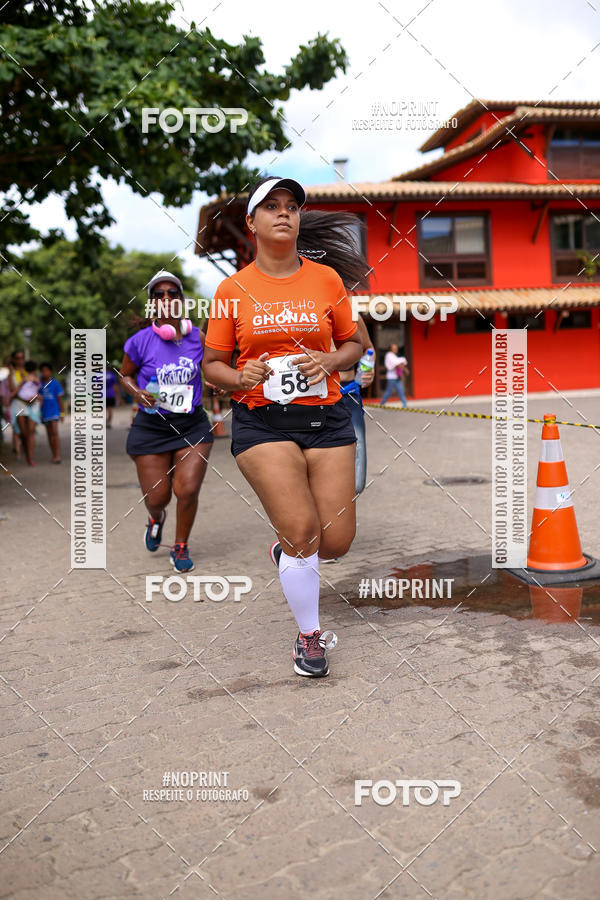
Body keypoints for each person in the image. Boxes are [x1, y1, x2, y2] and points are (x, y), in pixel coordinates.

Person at [203, 176, 369, 678]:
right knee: (303, 530)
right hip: (261, 423)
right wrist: (239, 376)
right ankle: (309, 636)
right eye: (270, 207)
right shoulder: (232, 290)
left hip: (327, 419)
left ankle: (288, 551)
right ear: (251, 223)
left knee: (335, 541)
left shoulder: (326, 281)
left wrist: (330, 358)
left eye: (292, 206)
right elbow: (212, 363)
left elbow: (356, 346)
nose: (284, 213)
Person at [119, 271, 213, 572]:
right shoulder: (139, 342)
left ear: (182, 301)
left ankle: (180, 545)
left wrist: (217, 383)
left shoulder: (197, 337)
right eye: (158, 294)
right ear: (152, 304)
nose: (166, 298)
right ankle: (156, 518)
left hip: (192, 426)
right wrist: (136, 392)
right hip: (151, 427)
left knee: (187, 490)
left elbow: (212, 369)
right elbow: (126, 375)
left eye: (173, 293)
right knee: (158, 497)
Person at [8, 354, 40, 466]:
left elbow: (38, 391)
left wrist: (34, 399)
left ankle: (30, 458)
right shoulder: (13, 375)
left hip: (32, 405)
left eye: (21, 358)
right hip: (20, 405)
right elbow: (15, 390)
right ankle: (26, 453)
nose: (19, 360)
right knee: (24, 433)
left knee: (30, 432)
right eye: (17, 358)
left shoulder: (32, 376)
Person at [39, 362, 64, 463]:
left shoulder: (55, 383)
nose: (45, 372)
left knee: (55, 432)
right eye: (43, 371)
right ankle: (53, 454)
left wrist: (61, 413)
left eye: (47, 370)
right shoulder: (39, 384)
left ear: (50, 371)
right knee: (49, 434)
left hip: (54, 411)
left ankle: (58, 455)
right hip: (44, 412)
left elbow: (60, 400)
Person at [381, 342, 409, 407]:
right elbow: (396, 363)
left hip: (397, 377)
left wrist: (404, 368)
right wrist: (404, 369)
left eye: (396, 348)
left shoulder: (394, 356)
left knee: (401, 390)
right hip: (391, 378)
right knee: (389, 391)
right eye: (394, 348)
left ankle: (405, 404)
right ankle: (382, 403)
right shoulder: (389, 355)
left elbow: (399, 363)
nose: (396, 349)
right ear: (391, 349)